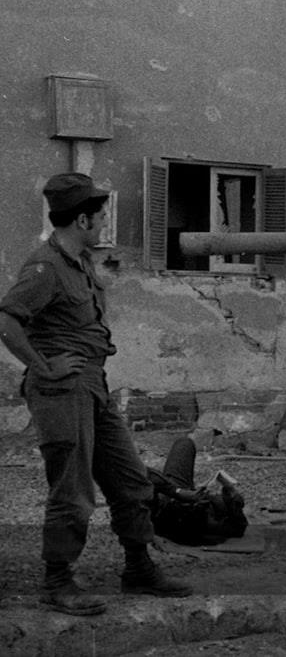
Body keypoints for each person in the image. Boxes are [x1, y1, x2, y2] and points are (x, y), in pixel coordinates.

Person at [0, 173, 192, 616]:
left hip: (92, 384)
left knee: (130, 478)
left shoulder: (80, 261)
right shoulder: (45, 268)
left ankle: (139, 568)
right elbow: (7, 321)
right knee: (73, 489)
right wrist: (43, 365)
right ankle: (57, 581)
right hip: (62, 390)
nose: (105, 223)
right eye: (101, 216)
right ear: (83, 220)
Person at [149, 436, 248, 547]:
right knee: (184, 443)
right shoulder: (215, 517)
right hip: (177, 505)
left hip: (169, 506)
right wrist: (231, 492)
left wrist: (179, 492)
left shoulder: (209, 522)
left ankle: (183, 498)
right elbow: (239, 527)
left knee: (184, 443)